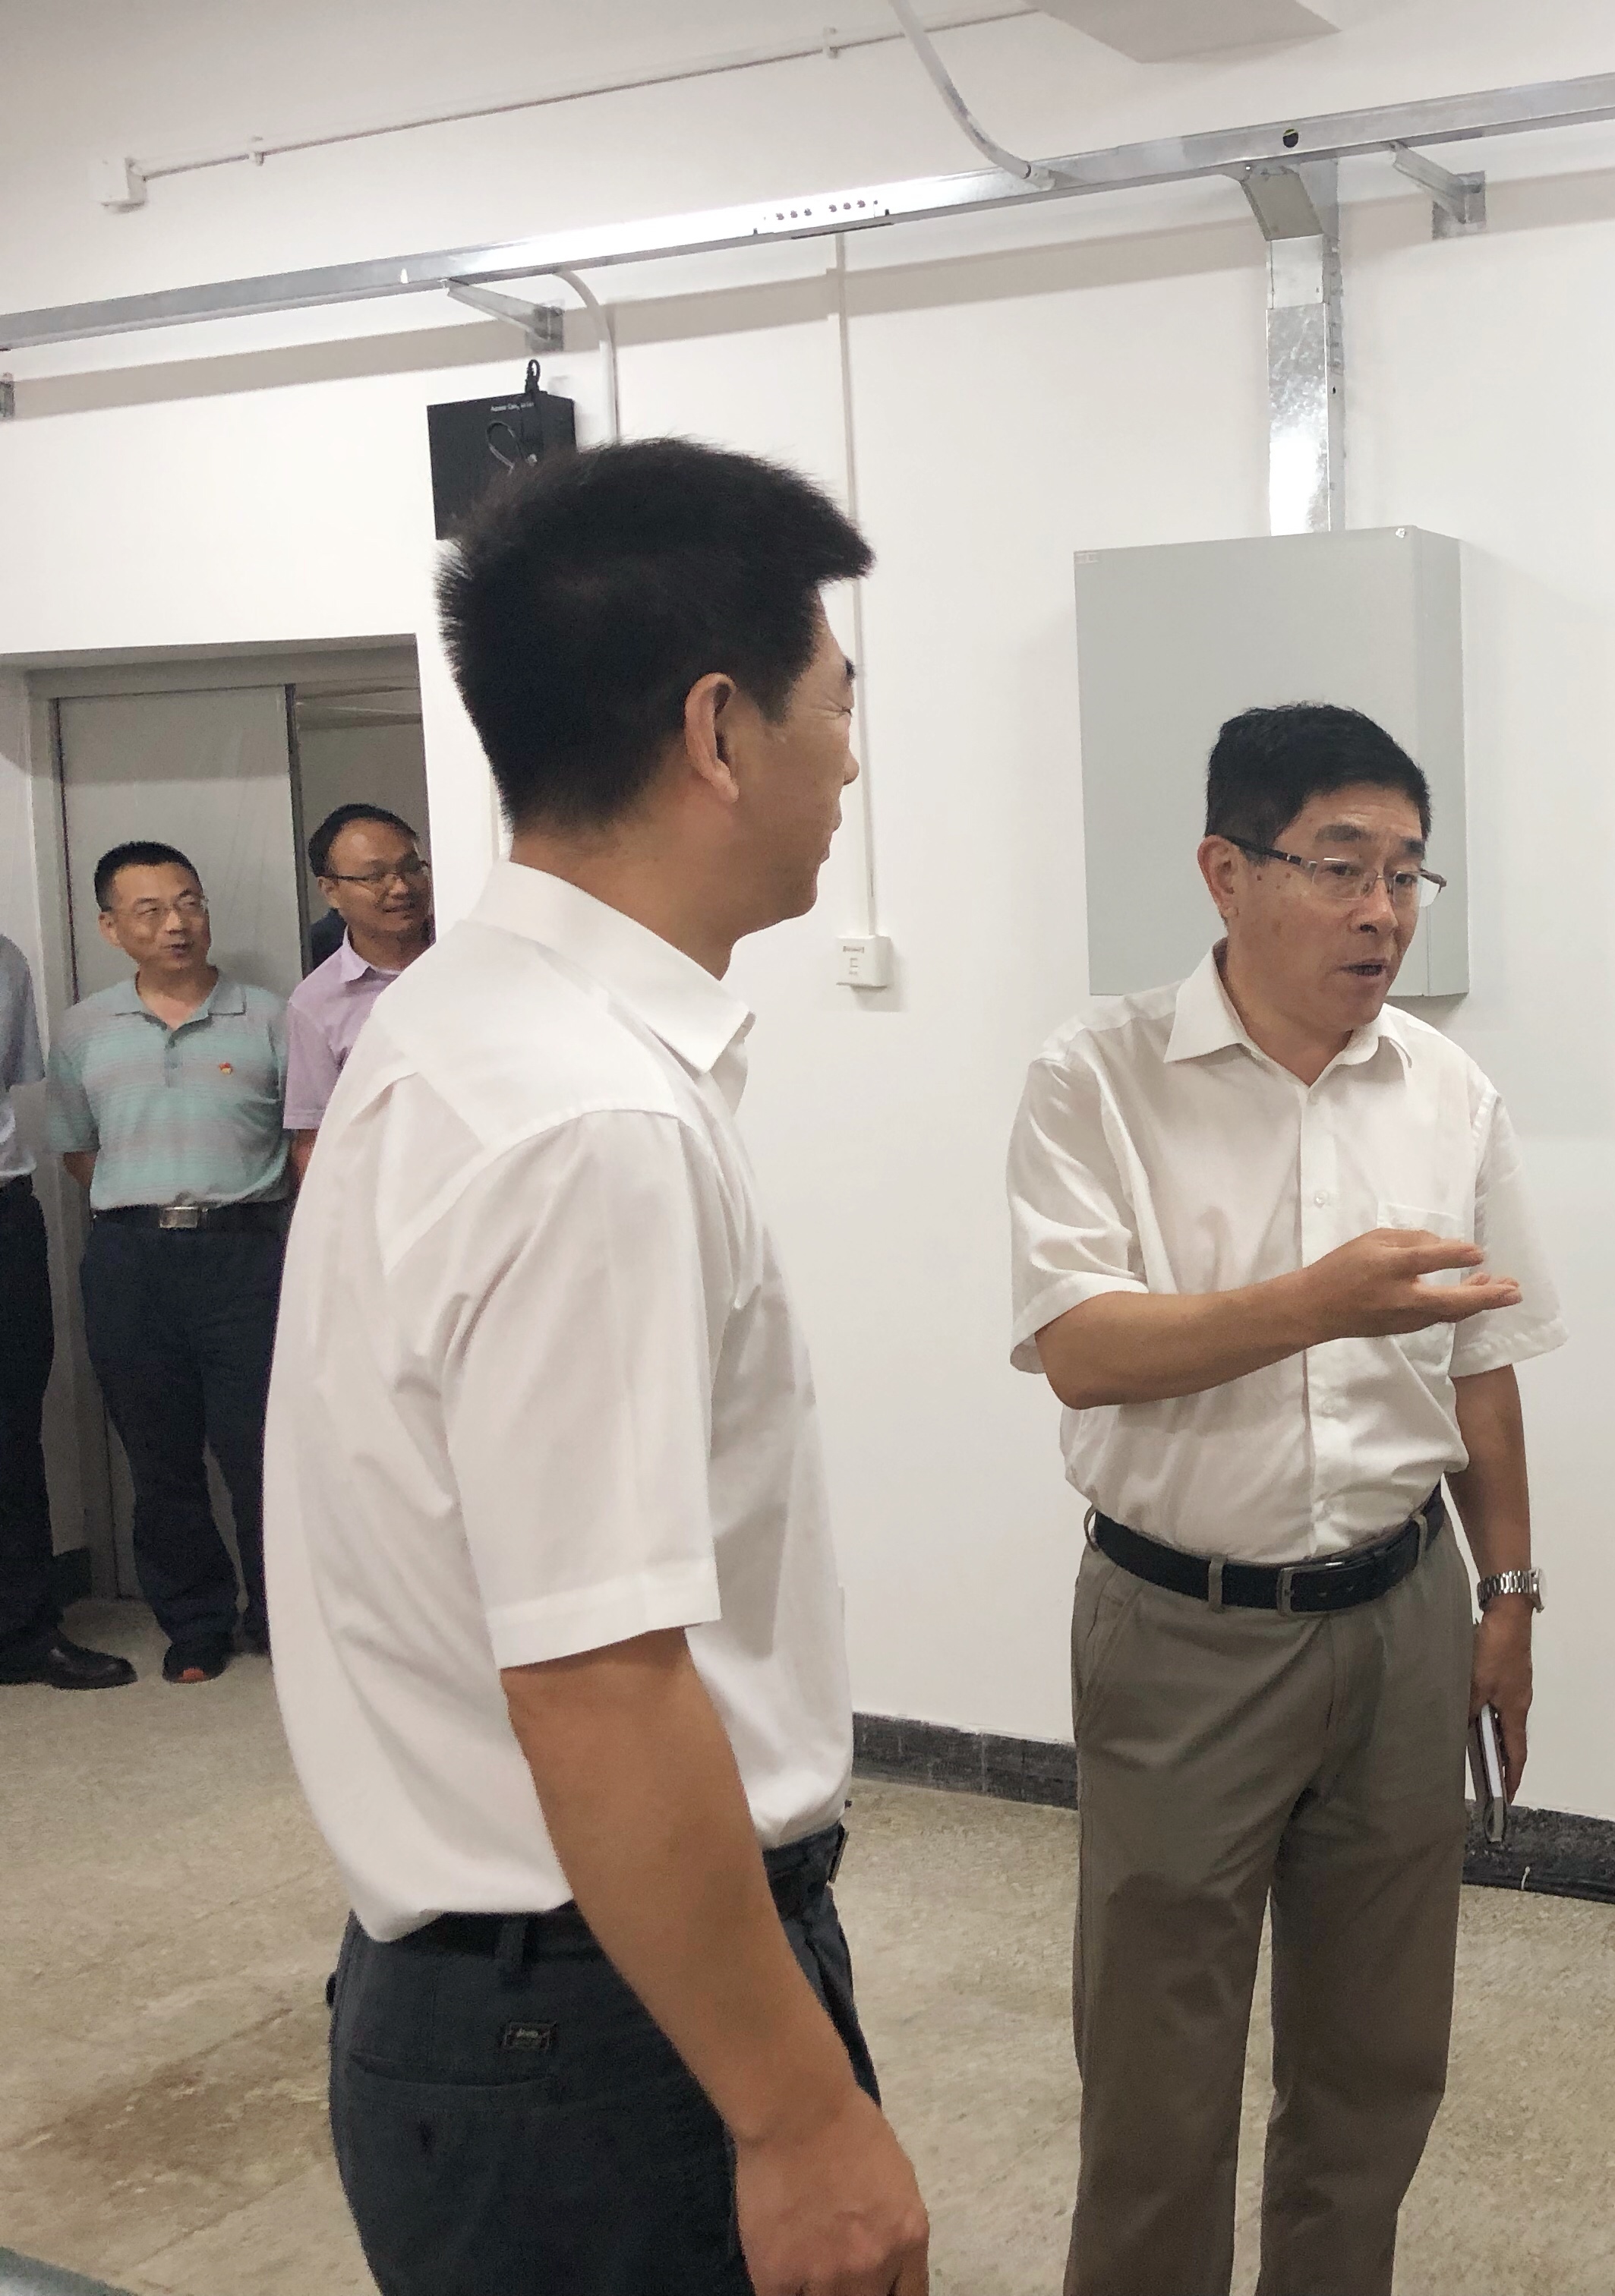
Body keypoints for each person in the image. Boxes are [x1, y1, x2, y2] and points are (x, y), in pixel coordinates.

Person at [268, 439, 929, 2296]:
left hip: (522, 2003)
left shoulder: (461, 1026)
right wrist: (797, 2118)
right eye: (837, 704)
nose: (850, 763)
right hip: (602, 2034)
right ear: (719, 730)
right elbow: (599, 1686)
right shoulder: (587, 1123)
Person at [1008, 702, 1563, 2296]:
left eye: (1407, 873)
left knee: (1376, 2066)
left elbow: (1483, 1368)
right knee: (1158, 2078)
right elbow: (1081, 1347)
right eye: (1340, 866)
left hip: (1403, 1615)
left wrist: (1509, 1595)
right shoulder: (1098, 1076)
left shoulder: (1445, 1089)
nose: (1381, 910)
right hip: (1182, 1626)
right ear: (1226, 872)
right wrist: (1314, 1303)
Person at [46, 844, 290, 1683]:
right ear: (111, 928)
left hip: (247, 1253)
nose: (176, 923)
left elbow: (303, 1141)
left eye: (189, 902)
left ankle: (284, 1616)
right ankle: (195, 1621)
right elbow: (80, 1152)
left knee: (263, 1451)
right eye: (149, 910)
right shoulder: (84, 1029)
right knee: (158, 1457)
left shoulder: (270, 1017)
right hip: (131, 1259)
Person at [0, 929, 134, 1690]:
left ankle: (22, 1631)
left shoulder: (6, 960)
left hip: (3, 1212)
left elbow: (13, 1079)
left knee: (15, 1429)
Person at [285, 803, 434, 1178]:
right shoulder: (315, 1003)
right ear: (331, 891)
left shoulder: (470, 959)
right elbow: (315, 1138)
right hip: (385, 1190)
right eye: (375, 876)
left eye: (411, 868)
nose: (401, 888)